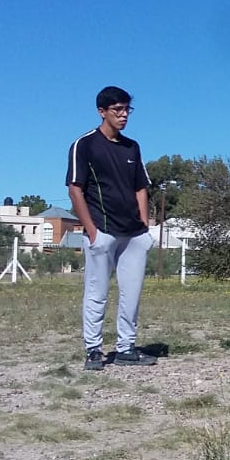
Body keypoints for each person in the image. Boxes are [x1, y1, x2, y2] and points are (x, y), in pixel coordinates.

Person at [68, 86, 157, 371]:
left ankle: (126, 347)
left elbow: (141, 187)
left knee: (131, 294)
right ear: (102, 111)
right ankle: (93, 349)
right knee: (97, 292)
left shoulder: (132, 147)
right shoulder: (85, 144)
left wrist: (144, 226)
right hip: (102, 230)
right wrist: (91, 230)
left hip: (133, 234)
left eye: (127, 109)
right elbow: (75, 189)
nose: (123, 115)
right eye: (117, 110)